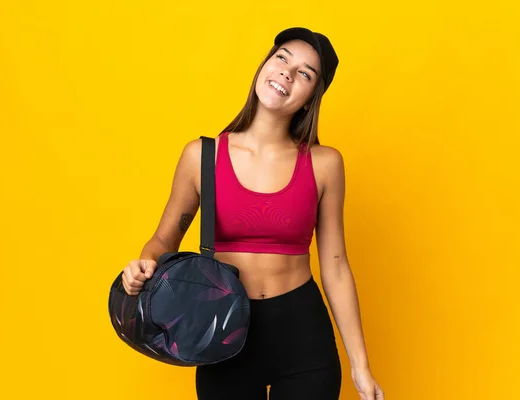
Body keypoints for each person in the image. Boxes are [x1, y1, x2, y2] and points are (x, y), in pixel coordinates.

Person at [121, 27, 385, 400]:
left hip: (302, 334)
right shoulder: (201, 156)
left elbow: (336, 265)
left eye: (305, 74)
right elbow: (164, 239)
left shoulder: (325, 164)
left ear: (311, 98)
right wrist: (144, 264)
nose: (287, 74)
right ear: (264, 65)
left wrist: (361, 365)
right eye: (282, 58)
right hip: (221, 332)